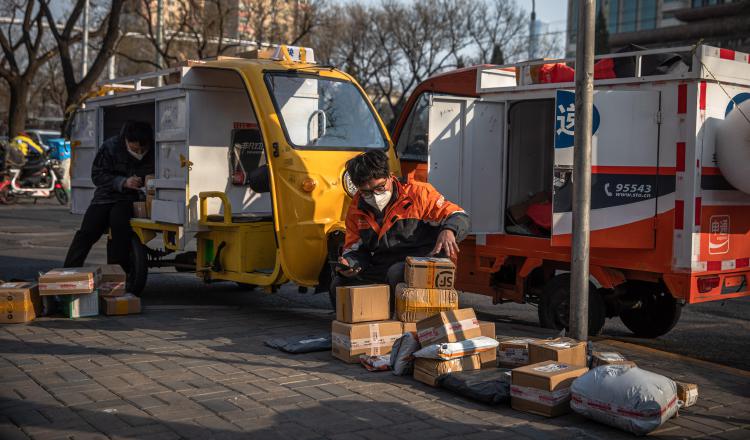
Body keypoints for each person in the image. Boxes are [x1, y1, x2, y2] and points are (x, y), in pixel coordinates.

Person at [332, 150, 470, 310]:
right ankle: (362, 328)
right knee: (339, 283)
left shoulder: (419, 194)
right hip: (382, 265)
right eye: (366, 192)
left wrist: (449, 230)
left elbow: (458, 214)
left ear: (391, 177)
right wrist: (350, 263)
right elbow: (354, 247)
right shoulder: (356, 209)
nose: (375, 196)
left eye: (380, 187)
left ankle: (398, 325)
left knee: (397, 273)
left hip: (422, 264)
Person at [64, 121, 155, 271]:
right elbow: (97, 175)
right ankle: (68, 272)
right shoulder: (111, 146)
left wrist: (147, 180)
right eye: (134, 148)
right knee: (88, 231)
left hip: (130, 199)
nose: (139, 152)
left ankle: (117, 275)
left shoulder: (154, 149)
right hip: (105, 196)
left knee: (119, 227)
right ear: (126, 140)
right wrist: (124, 182)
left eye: (142, 149)